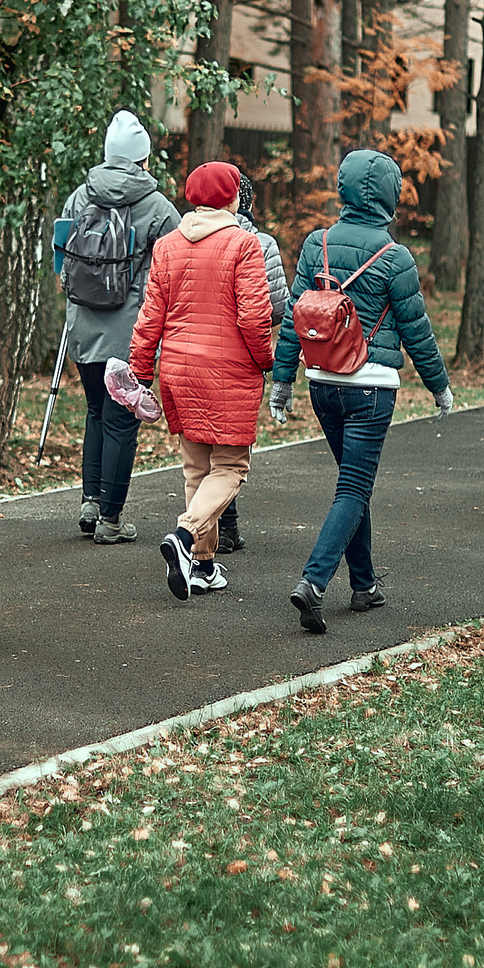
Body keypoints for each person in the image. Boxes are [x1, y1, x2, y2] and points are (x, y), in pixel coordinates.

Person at [269, 149, 455, 636]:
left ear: (343, 189)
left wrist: (282, 381)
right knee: (353, 487)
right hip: (371, 389)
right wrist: (439, 387)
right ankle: (313, 582)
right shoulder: (395, 258)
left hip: (323, 386)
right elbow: (417, 331)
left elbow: (294, 317)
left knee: (355, 485)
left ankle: (365, 584)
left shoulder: (316, 244)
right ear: (391, 197)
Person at [127, 161, 274, 601]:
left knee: (196, 468)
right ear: (232, 198)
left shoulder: (167, 246)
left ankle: (202, 566)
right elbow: (253, 316)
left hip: (177, 370)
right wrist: (265, 359)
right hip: (226, 371)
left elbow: (151, 314)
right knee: (230, 467)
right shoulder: (244, 245)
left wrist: (140, 368)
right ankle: (186, 534)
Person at [53, 110, 181, 545]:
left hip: (84, 326)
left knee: (95, 412)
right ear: (144, 160)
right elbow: (173, 271)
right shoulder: (159, 208)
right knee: (121, 421)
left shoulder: (78, 197)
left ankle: (90, 502)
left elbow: (60, 264)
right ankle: (111, 520)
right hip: (131, 333)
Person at [216, 170, 290, 556]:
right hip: (242, 356)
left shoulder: (185, 237)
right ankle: (221, 526)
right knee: (231, 448)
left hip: (192, 355)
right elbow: (278, 306)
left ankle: (214, 528)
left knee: (204, 444)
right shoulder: (261, 244)